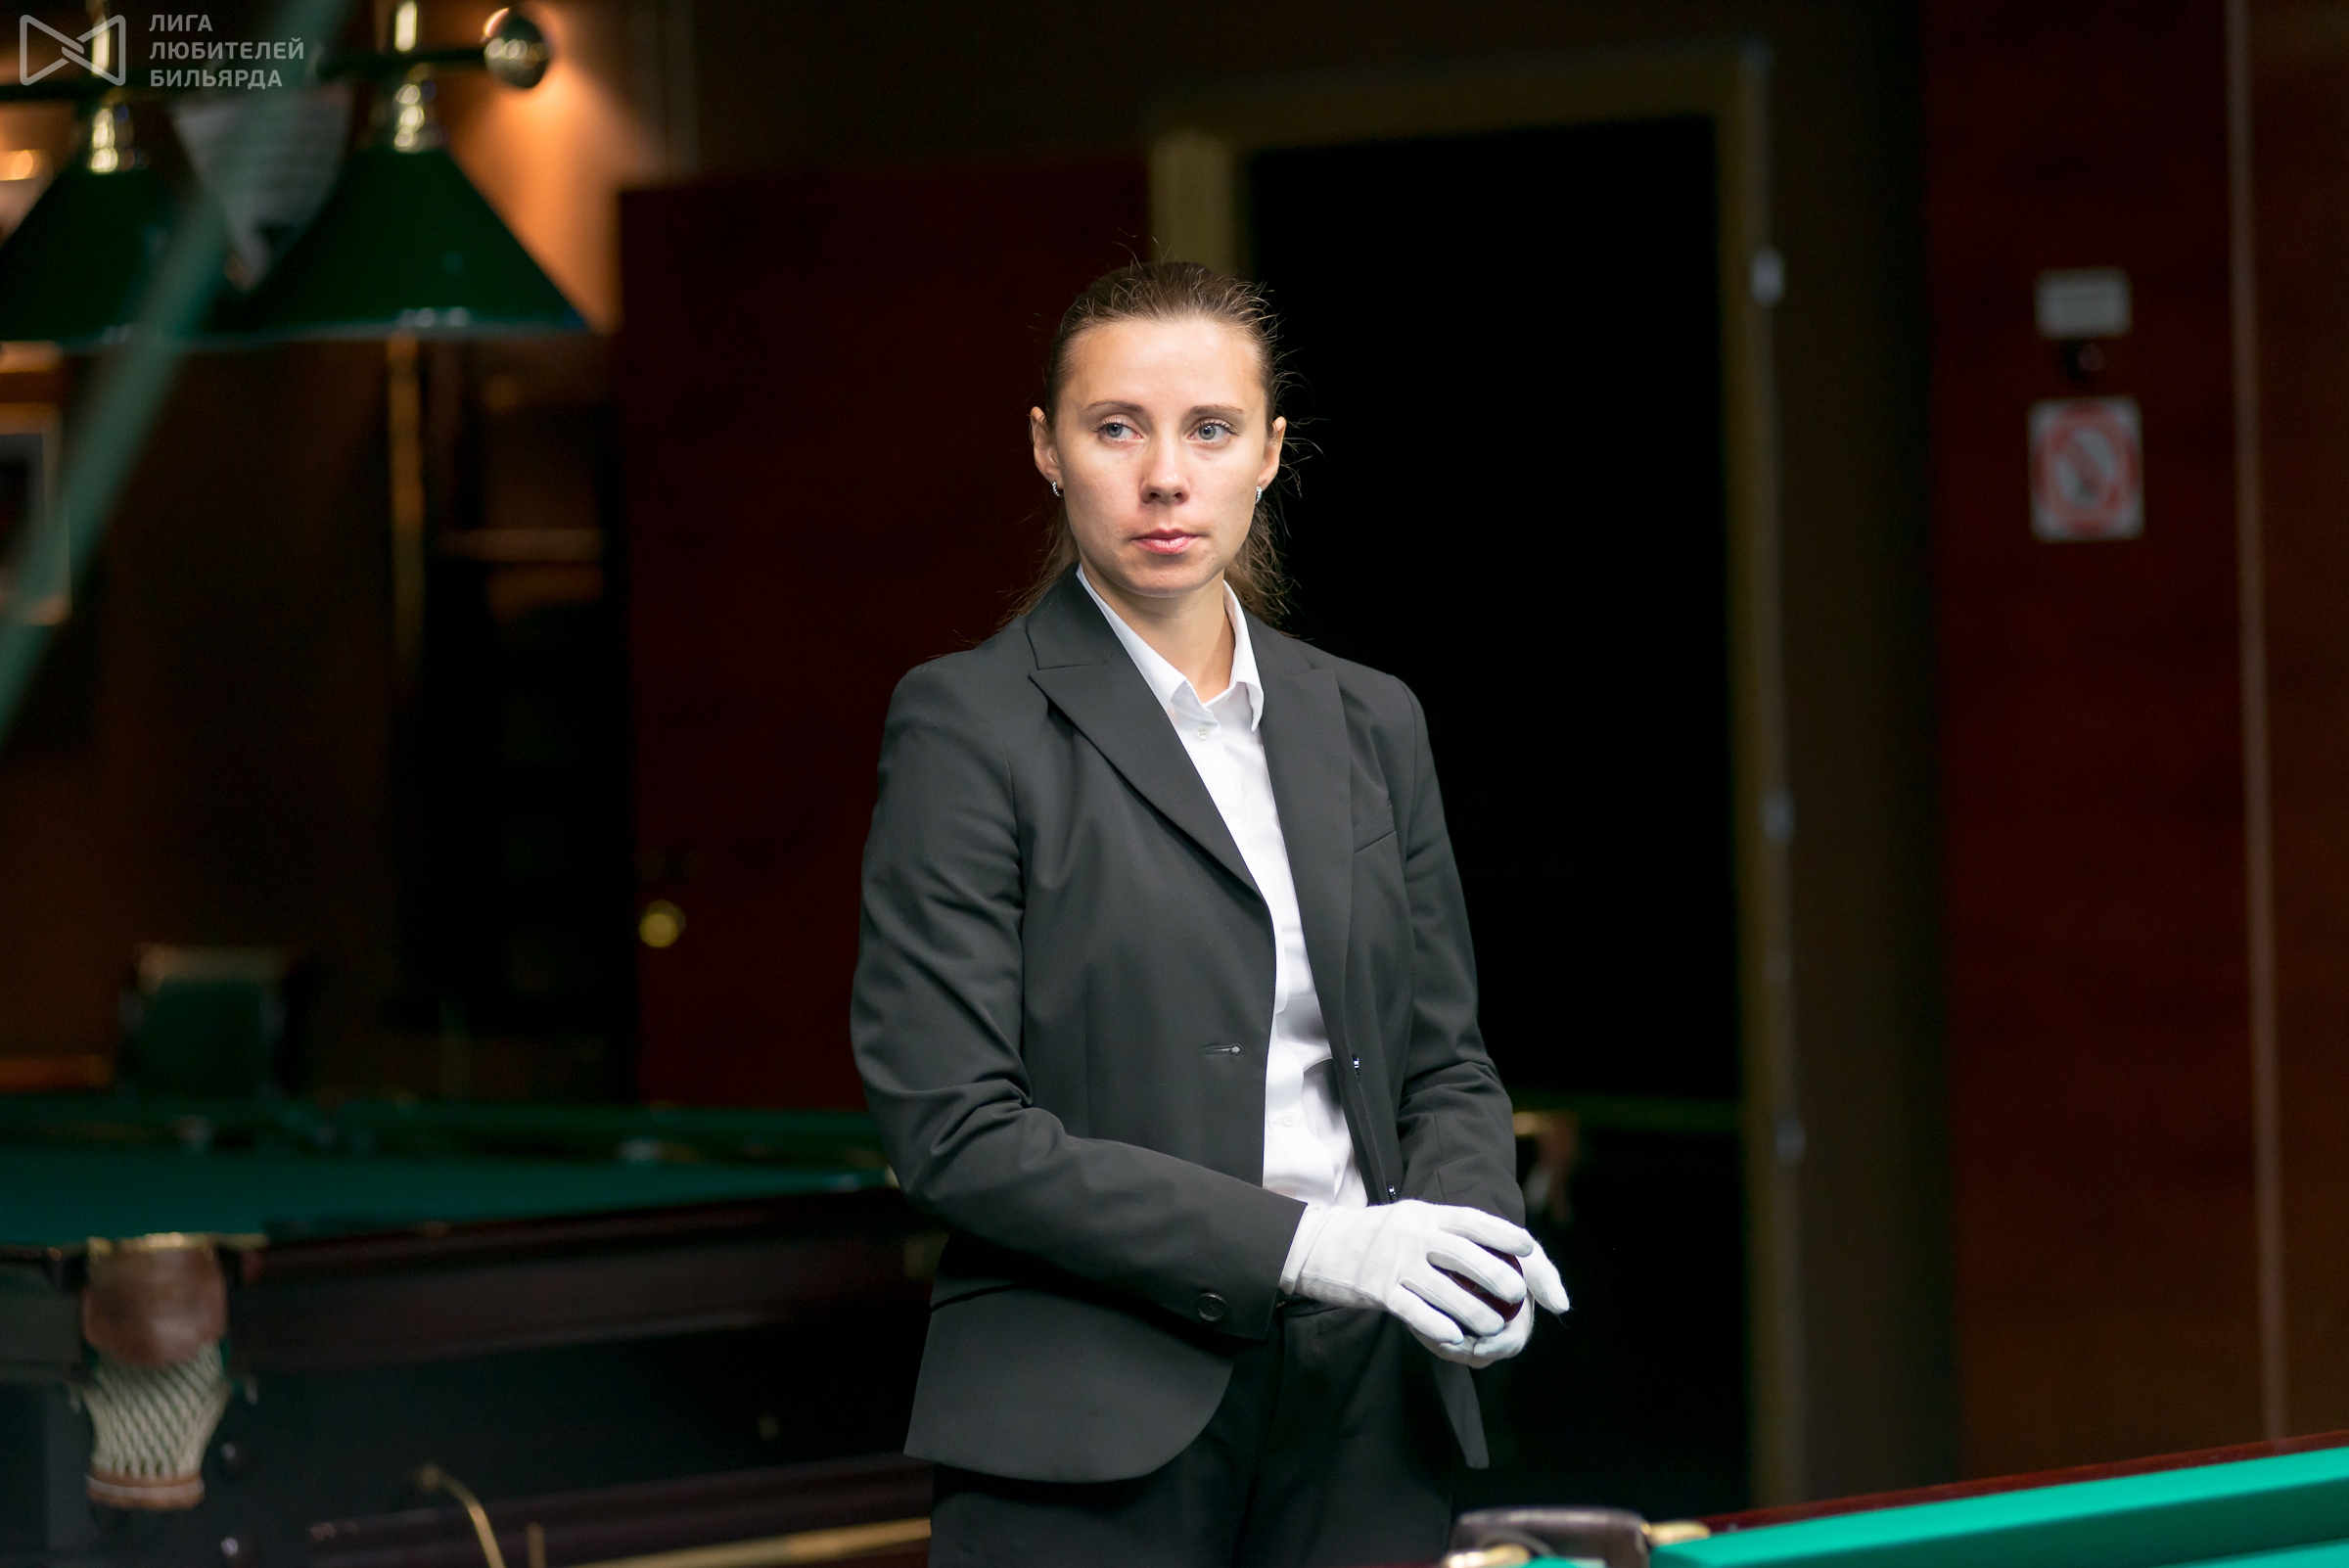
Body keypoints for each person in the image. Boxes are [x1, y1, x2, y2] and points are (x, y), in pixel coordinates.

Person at [851, 259, 1567, 1567]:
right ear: (1047, 449)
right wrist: (1319, 1246)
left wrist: (1472, 1245)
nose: (1166, 477)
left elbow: (1443, 1063)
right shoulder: (964, 722)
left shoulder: (1371, 718)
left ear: (1271, 453)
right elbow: (953, 1131)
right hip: (1086, 1416)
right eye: (1117, 428)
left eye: (1212, 429)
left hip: (1368, 1414)